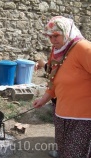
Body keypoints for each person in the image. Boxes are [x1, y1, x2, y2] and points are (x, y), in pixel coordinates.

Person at [33, 16, 91, 158]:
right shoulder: (57, 51)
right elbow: (54, 80)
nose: (52, 40)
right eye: (49, 37)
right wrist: (44, 99)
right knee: (64, 152)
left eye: (56, 36)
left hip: (82, 119)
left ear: (66, 32)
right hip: (61, 114)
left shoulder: (83, 48)